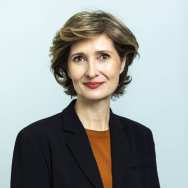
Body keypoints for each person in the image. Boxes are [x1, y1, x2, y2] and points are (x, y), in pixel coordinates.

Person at [10, 10, 160, 188]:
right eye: (79, 58)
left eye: (103, 57)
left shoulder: (140, 138)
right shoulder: (35, 140)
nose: (91, 72)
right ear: (66, 67)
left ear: (122, 63)